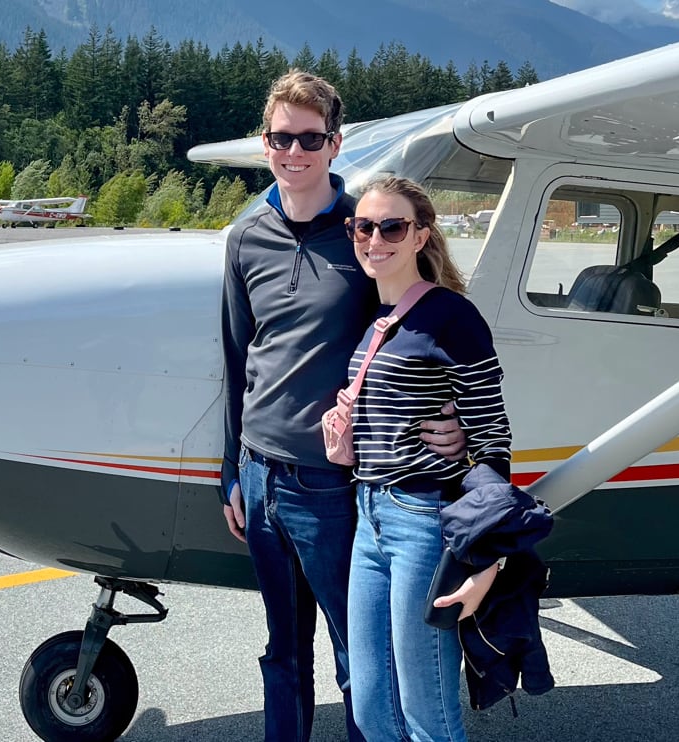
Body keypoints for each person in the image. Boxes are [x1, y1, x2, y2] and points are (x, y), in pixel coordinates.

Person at [219, 71, 466, 742]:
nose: (293, 152)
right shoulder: (246, 238)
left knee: (357, 659)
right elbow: (238, 360)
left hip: (331, 485)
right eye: (280, 138)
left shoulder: (364, 232)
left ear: (334, 143)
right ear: (264, 141)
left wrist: (447, 418)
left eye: (309, 139)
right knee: (282, 654)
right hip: (260, 476)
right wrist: (231, 473)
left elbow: (423, 324)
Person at [341, 176, 511, 742]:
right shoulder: (375, 319)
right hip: (369, 517)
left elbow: (492, 437)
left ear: (421, 236)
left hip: (422, 522)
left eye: (392, 226)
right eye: (363, 226)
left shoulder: (452, 317)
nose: (375, 238)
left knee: (427, 713)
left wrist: (485, 563)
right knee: (370, 708)